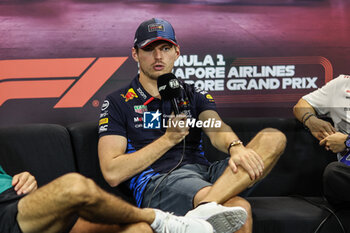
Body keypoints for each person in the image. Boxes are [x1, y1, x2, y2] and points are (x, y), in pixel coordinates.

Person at [98, 18, 286, 233]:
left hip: (204, 173)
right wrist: (168, 140)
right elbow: (112, 173)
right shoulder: (118, 101)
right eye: (149, 49)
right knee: (239, 210)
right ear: (135, 54)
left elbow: (216, 128)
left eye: (165, 48)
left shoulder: (192, 94)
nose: (158, 57)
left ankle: (202, 210)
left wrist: (236, 147)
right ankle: (206, 206)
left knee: (273, 138)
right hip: (160, 180)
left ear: (176, 52)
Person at [0, 165, 241, 233]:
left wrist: (21, 177)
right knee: (75, 186)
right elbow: (113, 173)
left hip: (18, 197)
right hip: (5, 213)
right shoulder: (120, 103)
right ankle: (161, 219)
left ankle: (160, 222)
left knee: (138, 229)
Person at [293, 74, 350, 207]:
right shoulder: (341, 84)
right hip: (346, 175)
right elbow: (301, 105)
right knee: (333, 173)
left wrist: (347, 142)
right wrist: (311, 120)